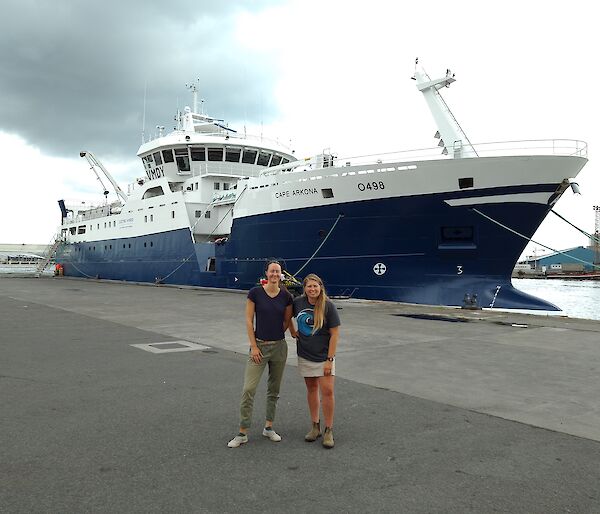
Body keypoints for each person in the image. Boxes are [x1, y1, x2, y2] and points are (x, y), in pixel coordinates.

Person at [227, 260, 293, 448]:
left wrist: (285, 335)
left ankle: (269, 427)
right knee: (249, 389)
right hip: (259, 347)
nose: (274, 274)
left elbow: (287, 321)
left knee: (274, 389)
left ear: (281, 274)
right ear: (266, 273)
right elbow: (249, 320)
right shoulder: (255, 293)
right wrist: (254, 346)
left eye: (277, 271)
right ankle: (242, 432)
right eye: (271, 270)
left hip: (279, 347)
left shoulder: (286, 296)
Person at [290, 274, 340, 449]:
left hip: (324, 356)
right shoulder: (298, 303)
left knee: (327, 391)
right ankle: (315, 426)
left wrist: (329, 359)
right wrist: (292, 330)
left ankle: (328, 429)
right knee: (311, 389)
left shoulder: (328, 306)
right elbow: (286, 315)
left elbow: (335, 334)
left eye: (315, 286)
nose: (312, 289)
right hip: (305, 354)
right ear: (304, 288)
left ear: (320, 287)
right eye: (309, 286)